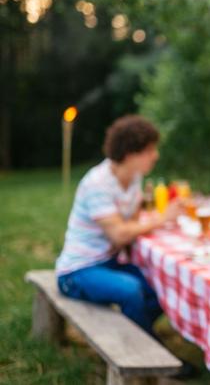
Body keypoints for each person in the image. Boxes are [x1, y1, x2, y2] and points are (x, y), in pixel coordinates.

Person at [55, 115, 182, 337]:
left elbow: (130, 221)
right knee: (130, 289)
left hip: (108, 261)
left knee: (163, 285)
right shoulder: (97, 184)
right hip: (77, 271)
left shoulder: (133, 177)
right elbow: (120, 234)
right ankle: (148, 350)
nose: (156, 155)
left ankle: (132, 334)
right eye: (150, 150)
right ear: (130, 154)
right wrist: (163, 218)